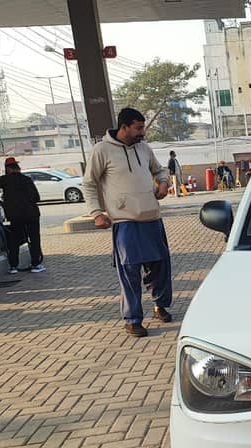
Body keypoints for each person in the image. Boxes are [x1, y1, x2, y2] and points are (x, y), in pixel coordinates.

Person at [82, 107, 172, 338]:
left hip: (152, 218)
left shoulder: (144, 148)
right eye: (138, 128)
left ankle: (160, 305)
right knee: (130, 273)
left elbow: (160, 171)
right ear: (124, 127)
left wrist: (163, 184)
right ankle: (132, 320)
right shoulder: (102, 150)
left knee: (160, 268)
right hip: (125, 222)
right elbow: (89, 183)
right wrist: (96, 212)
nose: (143, 132)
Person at [0, 157, 45, 274]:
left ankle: (13, 266)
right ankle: (36, 264)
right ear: (17, 168)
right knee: (34, 239)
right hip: (31, 214)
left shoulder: (4, 180)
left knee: (14, 240)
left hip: (15, 216)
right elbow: (36, 198)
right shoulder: (27, 180)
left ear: (7, 169)